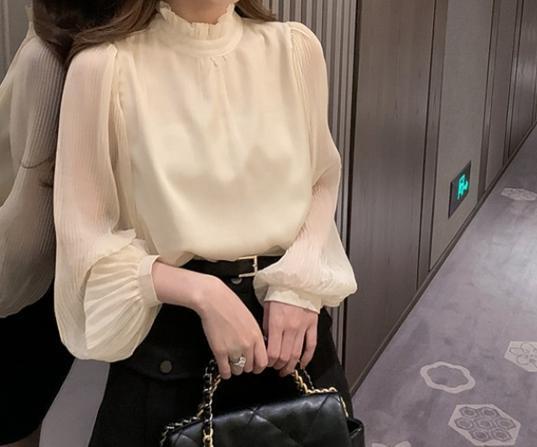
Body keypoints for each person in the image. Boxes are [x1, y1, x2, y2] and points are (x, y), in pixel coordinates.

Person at [52, 0, 359, 445]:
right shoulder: (104, 68)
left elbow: (321, 183)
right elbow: (85, 246)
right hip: (171, 356)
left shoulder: (295, 49)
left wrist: (299, 285)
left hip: (292, 338)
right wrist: (203, 293)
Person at [0, 2, 116, 446]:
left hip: (23, 294)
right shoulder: (61, 44)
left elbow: (30, 239)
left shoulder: (52, 56)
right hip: (35, 291)